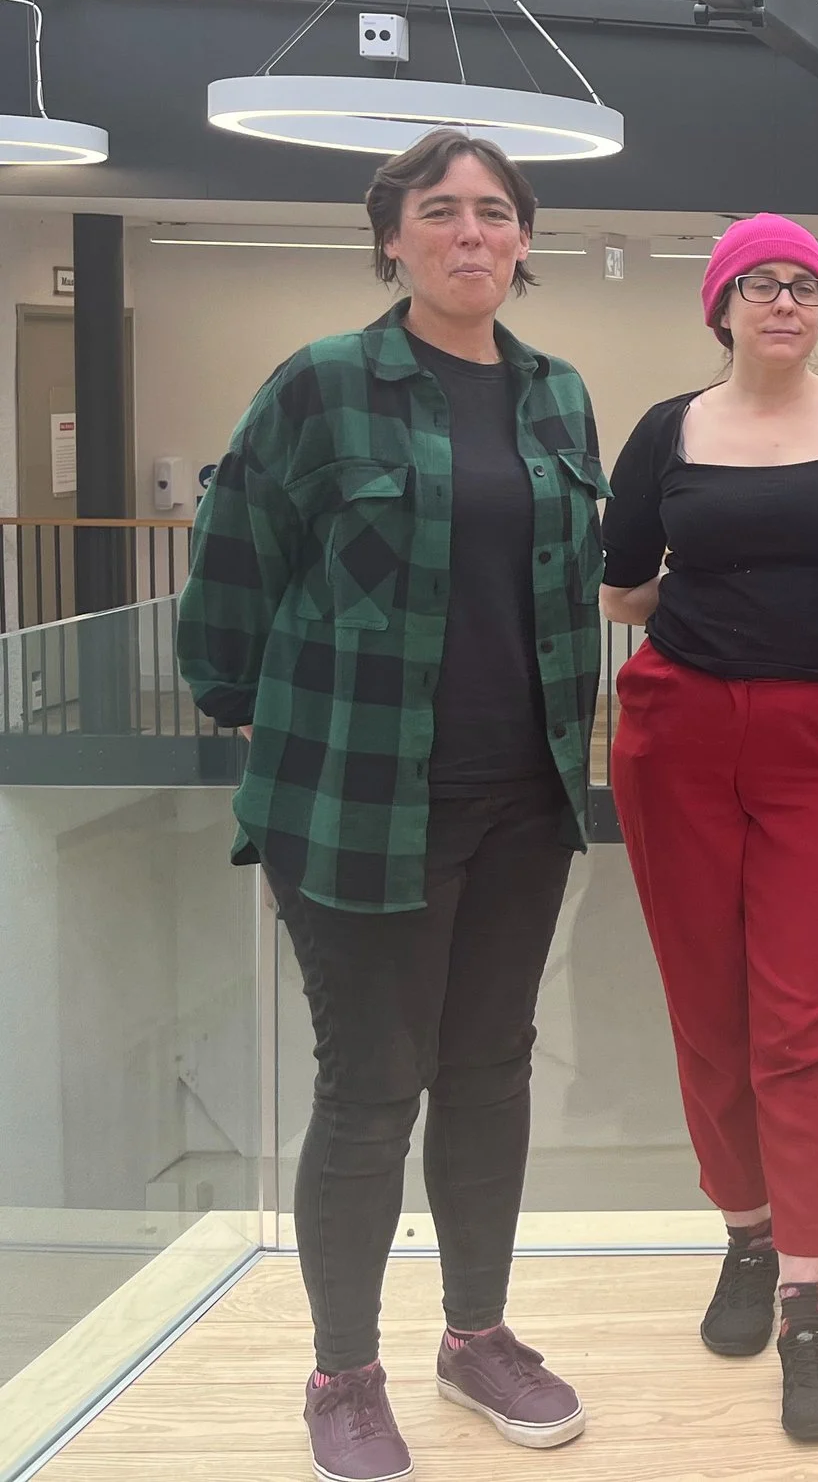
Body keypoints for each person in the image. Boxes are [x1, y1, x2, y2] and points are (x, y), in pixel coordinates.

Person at [177, 128, 599, 1482]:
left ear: (522, 240)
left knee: (489, 1074)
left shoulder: (559, 398)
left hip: (521, 801)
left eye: (494, 212)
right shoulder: (322, 387)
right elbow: (234, 562)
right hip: (356, 800)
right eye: (442, 212)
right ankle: (341, 1374)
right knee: (372, 1090)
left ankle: (474, 1336)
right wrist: (239, 696)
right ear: (394, 237)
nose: (471, 232)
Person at [599, 214, 818, 1440]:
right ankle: (742, 1229)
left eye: (805, 285)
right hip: (675, 730)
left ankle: (806, 1295)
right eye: (760, 283)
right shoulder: (667, 429)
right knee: (706, 1005)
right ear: (720, 304)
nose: (785, 300)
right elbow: (623, 584)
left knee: (798, 1018)